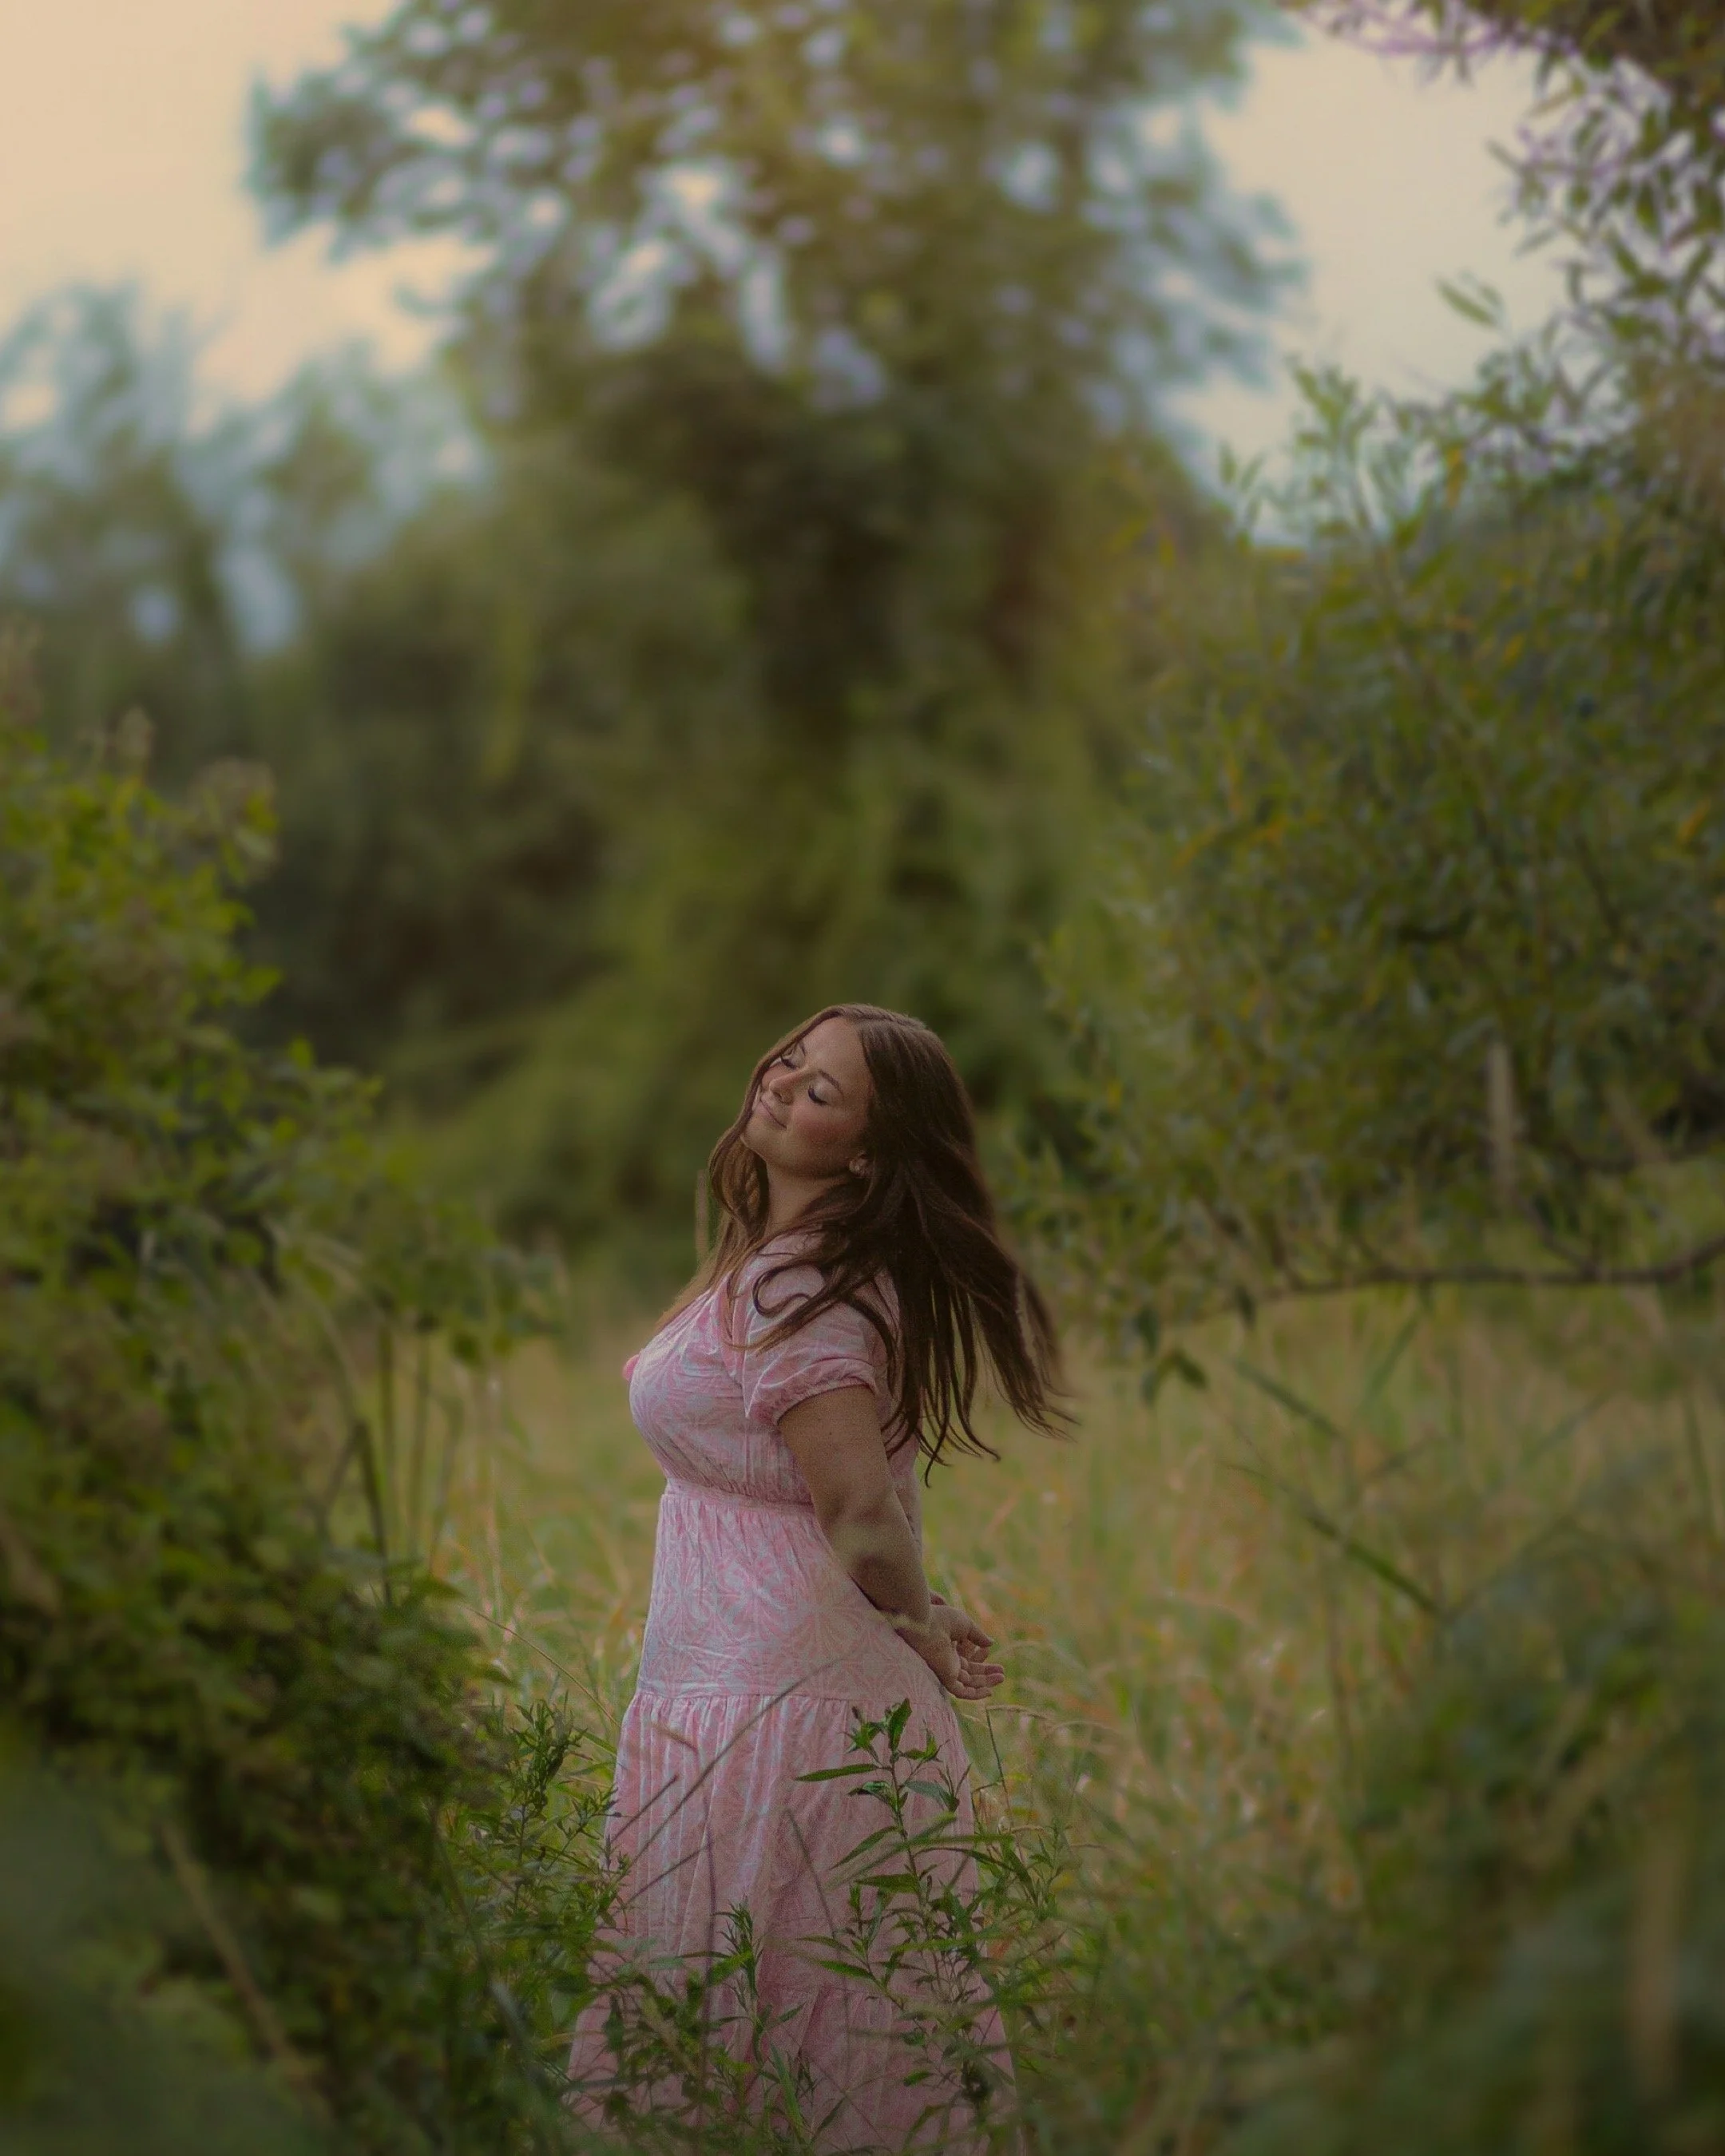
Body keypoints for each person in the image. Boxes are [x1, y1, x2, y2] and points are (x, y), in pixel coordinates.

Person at [566, 1003, 1062, 2150]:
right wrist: (921, 1613)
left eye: (824, 1090)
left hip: (786, 1709)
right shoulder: (781, 1267)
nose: (786, 1083)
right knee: (765, 2029)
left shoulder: (808, 1299)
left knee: (798, 2038)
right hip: (739, 1688)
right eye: (792, 1058)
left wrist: (924, 1625)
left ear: (868, 1154)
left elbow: (857, 1507)